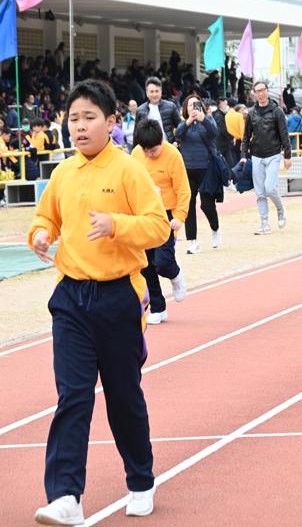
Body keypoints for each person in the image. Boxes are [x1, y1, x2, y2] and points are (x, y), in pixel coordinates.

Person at [28, 79, 168, 526]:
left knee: (123, 396)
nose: (80, 127)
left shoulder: (128, 170)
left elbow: (157, 227)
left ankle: (141, 480)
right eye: (73, 119)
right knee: (72, 396)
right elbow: (45, 216)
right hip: (70, 298)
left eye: (89, 118)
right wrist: (40, 234)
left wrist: (116, 225)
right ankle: (66, 495)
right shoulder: (63, 173)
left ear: (111, 122)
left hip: (118, 297)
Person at [131, 119, 191, 324]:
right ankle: (158, 309)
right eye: (145, 150)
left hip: (166, 215)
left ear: (161, 141)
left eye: (153, 150)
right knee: (146, 264)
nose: (149, 154)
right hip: (143, 214)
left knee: (162, 262)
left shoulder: (173, 155)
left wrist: (179, 216)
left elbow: (183, 189)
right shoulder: (136, 154)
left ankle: (175, 275)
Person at [240, 81, 292, 235]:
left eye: (263, 90)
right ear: (254, 94)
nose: (261, 94)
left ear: (267, 91)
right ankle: (264, 223)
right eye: (257, 91)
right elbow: (246, 136)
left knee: (269, 188)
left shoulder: (277, 111)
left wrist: (287, 155)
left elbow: (284, 134)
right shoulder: (251, 113)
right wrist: (243, 156)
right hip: (256, 156)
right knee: (260, 192)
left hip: (274, 155)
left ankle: (280, 210)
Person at [175, 94, 221, 254]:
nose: (193, 108)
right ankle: (192, 241)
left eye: (196, 104)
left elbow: (215, 133)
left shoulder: (207, 119)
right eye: (190, 105)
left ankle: (215, 228)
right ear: (186, 109)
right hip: (188, 169)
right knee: (189, 205)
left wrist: (204, 119)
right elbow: (177, 134)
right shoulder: (183, 123)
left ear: (201, 106)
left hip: (206, 168)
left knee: (207, 205)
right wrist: (188, 121)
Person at [135, 76, 181, 143]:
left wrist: (177, 142)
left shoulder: (171, 106)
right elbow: (136, 134)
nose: (154, 94)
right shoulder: (140, 110)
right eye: (151, 91)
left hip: (168, 145)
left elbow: (180, 127)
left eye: (157, 91)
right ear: (147, 93)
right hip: (148, 147)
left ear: (161, 91)